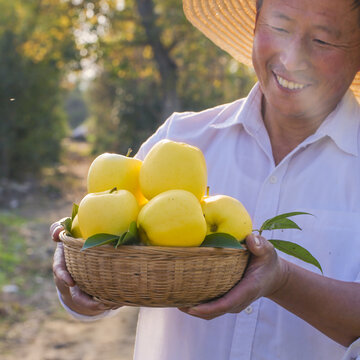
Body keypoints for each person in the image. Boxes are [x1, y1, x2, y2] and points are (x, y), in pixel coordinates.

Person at [51, 0, 360, 358]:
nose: (291, 59)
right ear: (256, 26)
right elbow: (106, 260)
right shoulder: (180, 140)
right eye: (279, 27)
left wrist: (283, 281)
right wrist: (77, 274)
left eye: (322, 40)